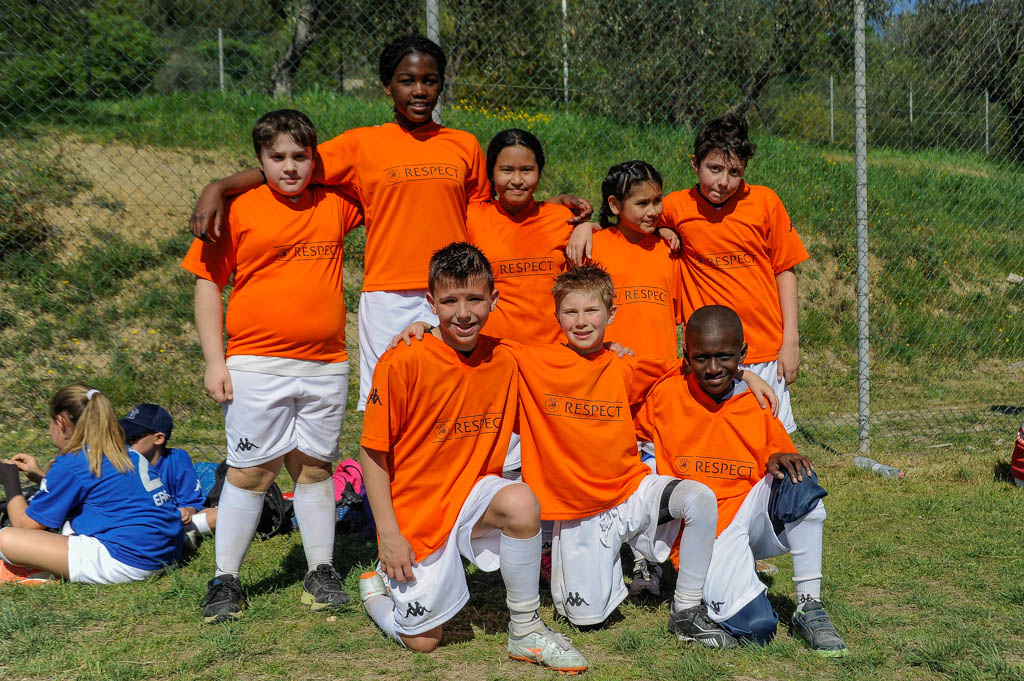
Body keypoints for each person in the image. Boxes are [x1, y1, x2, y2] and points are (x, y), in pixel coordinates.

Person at [188, 35, 591, 413]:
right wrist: (218, 187)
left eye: (429, 80)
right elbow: (290, 165)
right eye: (407, 80)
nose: (419, 90)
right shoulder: (360, 144)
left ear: (441, 85)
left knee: (453, 399)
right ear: (387, 87)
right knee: (389, 403)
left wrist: (552, 209)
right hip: (388, 295)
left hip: (452, 291)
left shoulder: (463, 144)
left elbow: (491, 209)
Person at [358, 242, 588, 673]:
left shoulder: (508, 358)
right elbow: (372, 453)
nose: (463, 313)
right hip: (419, 517)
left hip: (472, 498)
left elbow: (579, 362)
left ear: (494, 299)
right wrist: (389, 535)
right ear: (431, 304)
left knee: (521, 501)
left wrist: (615, 351)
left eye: (474, 299)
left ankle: (526, 630)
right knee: (424, 642)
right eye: (449, 301)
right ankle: (374, 591)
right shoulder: (402, 360)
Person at [510, 265, 761, 647]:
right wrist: (424, 330)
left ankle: (686, 610)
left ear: (611, 314)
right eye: (571, 312)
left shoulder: (625, 365)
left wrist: (746, 375)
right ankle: (608, 568)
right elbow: (481, 345)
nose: (581, 321)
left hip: (630, 492)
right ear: (556, 315)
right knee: (587, 619)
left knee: (698, 498)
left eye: (592, 311)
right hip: (581, 514)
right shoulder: (534, 361)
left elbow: (693, 366)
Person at [181, 108, 364, 623]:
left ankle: (320, 571)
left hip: (326, 365)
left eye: (300, 156)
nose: (289, 167)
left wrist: (220, 182)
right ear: (259, 160)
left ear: (314, 159)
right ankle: (226, 580)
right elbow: (207, 285)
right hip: (256, 364)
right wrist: (214, 361)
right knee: (251, 472)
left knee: (315, 467)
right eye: (276, 156)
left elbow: (382, 184)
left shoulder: (335, 203)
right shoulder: (237, 209)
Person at [633, 305, 848, 656]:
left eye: (725, 357)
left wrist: (778, 456)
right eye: (701, 357)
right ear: (686, 354)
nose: (713, 368)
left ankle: (810, 606)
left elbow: (782, 456)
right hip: (706, 534)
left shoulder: (756, 403)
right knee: (757, 628)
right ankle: (729, 580)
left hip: (749, 515)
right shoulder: (664, 395)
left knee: (800, 478)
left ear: (742, 354)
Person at [661, 113, 809, 435]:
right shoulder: (674, 207)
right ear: (695, 164)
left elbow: (785, 269)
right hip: (710, 355)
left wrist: (791, 341)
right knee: (711, 439)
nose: (723, 181)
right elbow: (632, 221)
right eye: (714, 169)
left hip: (764, 350)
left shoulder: (765, 203)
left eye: (734, 172)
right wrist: (662, 230)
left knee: (770, 442)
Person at [589, 160, 686, 597]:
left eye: (657, 201)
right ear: (615, 205)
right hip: (612, 382)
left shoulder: (667, 250)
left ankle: (649, 558)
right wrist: (585, 228)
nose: (653, 210)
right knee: (616, 467)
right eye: (642, 203)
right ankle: (607, 549)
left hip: (660, 382)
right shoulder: (594, 245)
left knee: (656, 468)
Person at [0, 384, 183, 584]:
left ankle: (39, 572)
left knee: (6, 538)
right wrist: (40, 477)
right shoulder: (125, 451)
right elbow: (92, 489)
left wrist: (9, 478)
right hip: (168, 552)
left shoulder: (74, 461)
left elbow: (25, 525)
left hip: (129, 560)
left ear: (61, 422)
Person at [119, 403, 217, 540]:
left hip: (172, 521)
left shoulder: (177, 459)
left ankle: (175, 536)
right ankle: (178, 537)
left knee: (217, 516)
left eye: (132, 438)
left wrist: (186, 512)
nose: (125, 443)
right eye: (122, 437)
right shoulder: (122, 464)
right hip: (136, 524)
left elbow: (191, 502)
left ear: (159, 438)